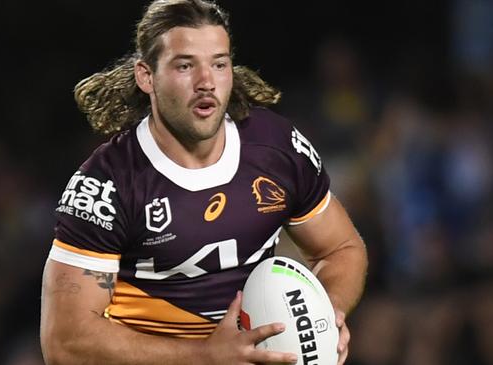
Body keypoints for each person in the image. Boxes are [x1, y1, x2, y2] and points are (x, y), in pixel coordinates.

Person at [40, 1, 368, 364]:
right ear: (146, 76)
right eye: (185, 65)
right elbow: (64, 340)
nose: (206, 82)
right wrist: (203, 356)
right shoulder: (107, 184)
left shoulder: (276, 148)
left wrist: (324, 314)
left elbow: (340, 249)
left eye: (219, 63)